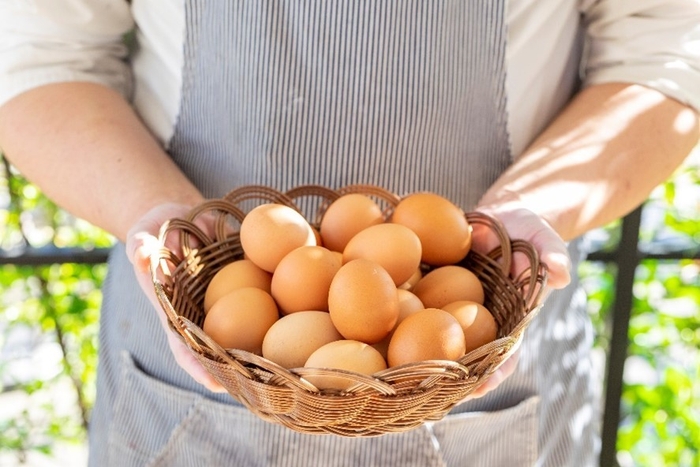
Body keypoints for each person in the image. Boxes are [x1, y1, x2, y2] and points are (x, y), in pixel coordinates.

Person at [1, 1, 699, 465]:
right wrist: (159, 213)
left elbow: (663, 43)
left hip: (489, 337)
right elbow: (38, 53)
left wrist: (526, 210)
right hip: (197, 344)